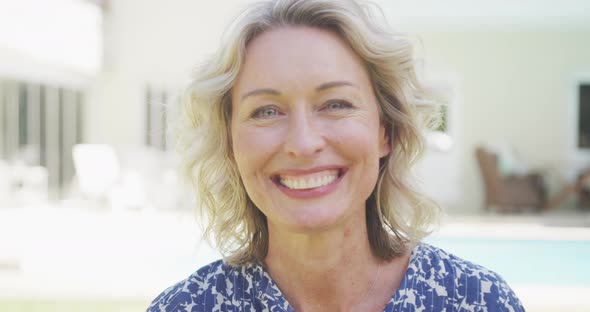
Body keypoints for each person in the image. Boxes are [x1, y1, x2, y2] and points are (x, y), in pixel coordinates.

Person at [148, 0, 524, 311]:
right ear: (230, 145)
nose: (303, 142)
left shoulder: (478, 301)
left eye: (335, 104)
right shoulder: (184, 306)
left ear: (386, 132)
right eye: (266, 111)